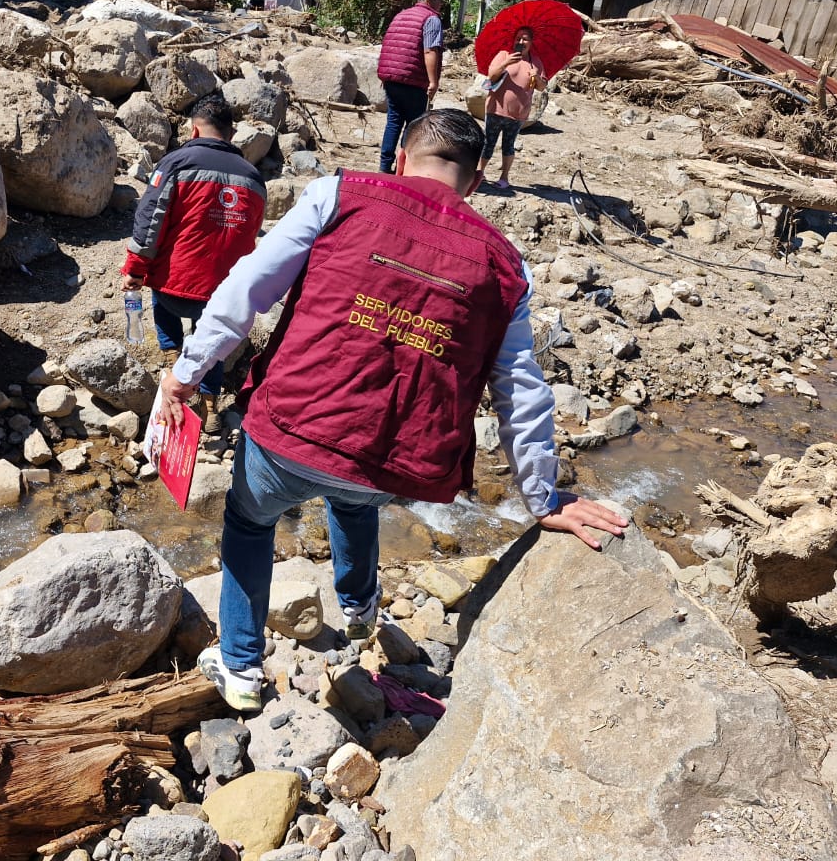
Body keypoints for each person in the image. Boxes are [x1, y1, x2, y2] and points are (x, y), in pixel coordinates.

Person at [157, 109, 628, 712]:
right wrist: (544, 499)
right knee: (355, 494)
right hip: (398, 462)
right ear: (477, 180)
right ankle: (359, 614)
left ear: (400, 158)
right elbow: (521, 385)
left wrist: (186, 374)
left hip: (291, 429)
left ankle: (242, 668)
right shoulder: (508, 266)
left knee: (249, 523)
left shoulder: (339, 194)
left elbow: (247, 288)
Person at [121, 94, 266, 434]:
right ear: (230, 136)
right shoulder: (255, 178)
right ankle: (211, 405)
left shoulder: (177, 162)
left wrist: (135, 269)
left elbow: (150, 221)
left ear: (195, 131)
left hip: (174, 285)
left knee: (163, 302)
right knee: (210, 340)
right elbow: (251, 238)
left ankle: (173, 361)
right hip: (224, 291)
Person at [375, 0, 448, 174]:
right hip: (414, 80)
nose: (442, 3)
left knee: (393, 121)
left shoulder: (402, 15)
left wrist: (384, 76)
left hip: (392, 79)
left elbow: (389, 45)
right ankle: (403, 168)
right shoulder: (432, 20)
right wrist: (433, 81)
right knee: (413, 125)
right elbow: (430, 51)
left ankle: (384, 166)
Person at [478, 26, 547, 191]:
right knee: (488, 142)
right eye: (518, 38)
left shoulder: (535, 61)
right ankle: (480, 173)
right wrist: (506, 63)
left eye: (525, 39)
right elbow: (491, 75)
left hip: (519, 112)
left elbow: (541, 87)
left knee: (509, 144)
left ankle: (504, 177)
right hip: (495, 108)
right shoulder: (504, 55)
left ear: (531, 43)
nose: (521, 42)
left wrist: (536, 76)